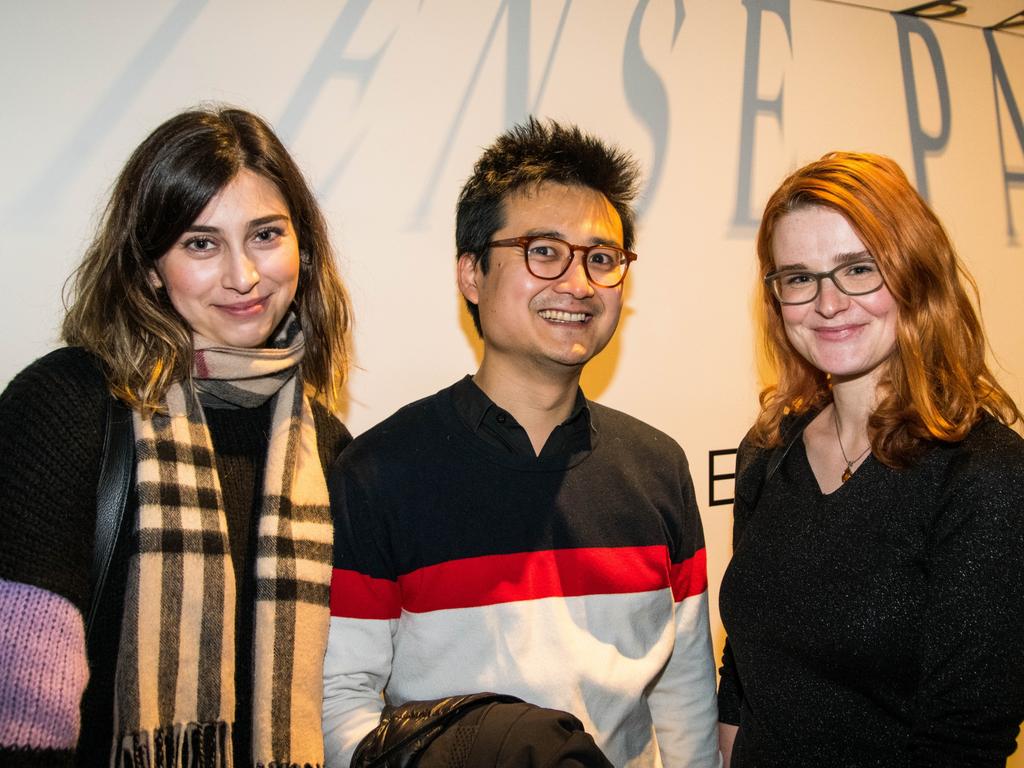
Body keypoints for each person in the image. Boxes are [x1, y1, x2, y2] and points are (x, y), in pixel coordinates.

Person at [323, 118, 721, 768]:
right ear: (471, 275)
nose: (579, 283)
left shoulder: (658, 468)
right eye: (544, 251)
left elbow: (683, 700)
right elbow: (342, 703)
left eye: (602, 258)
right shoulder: (378, 473)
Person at [0, 106, 353, 767]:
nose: (243, 277)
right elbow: (21, 715)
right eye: (201, 243)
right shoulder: (64, 405)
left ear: (302, 244)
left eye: (266, 235)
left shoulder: (329, 448)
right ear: (152, 265)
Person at [717, 152, 1024, 766]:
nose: (828, 304)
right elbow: (744, 675)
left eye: (858, 269)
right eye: (799, 278)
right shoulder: (768, 450)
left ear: (916, 277)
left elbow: (963, 742)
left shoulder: (985, 475)